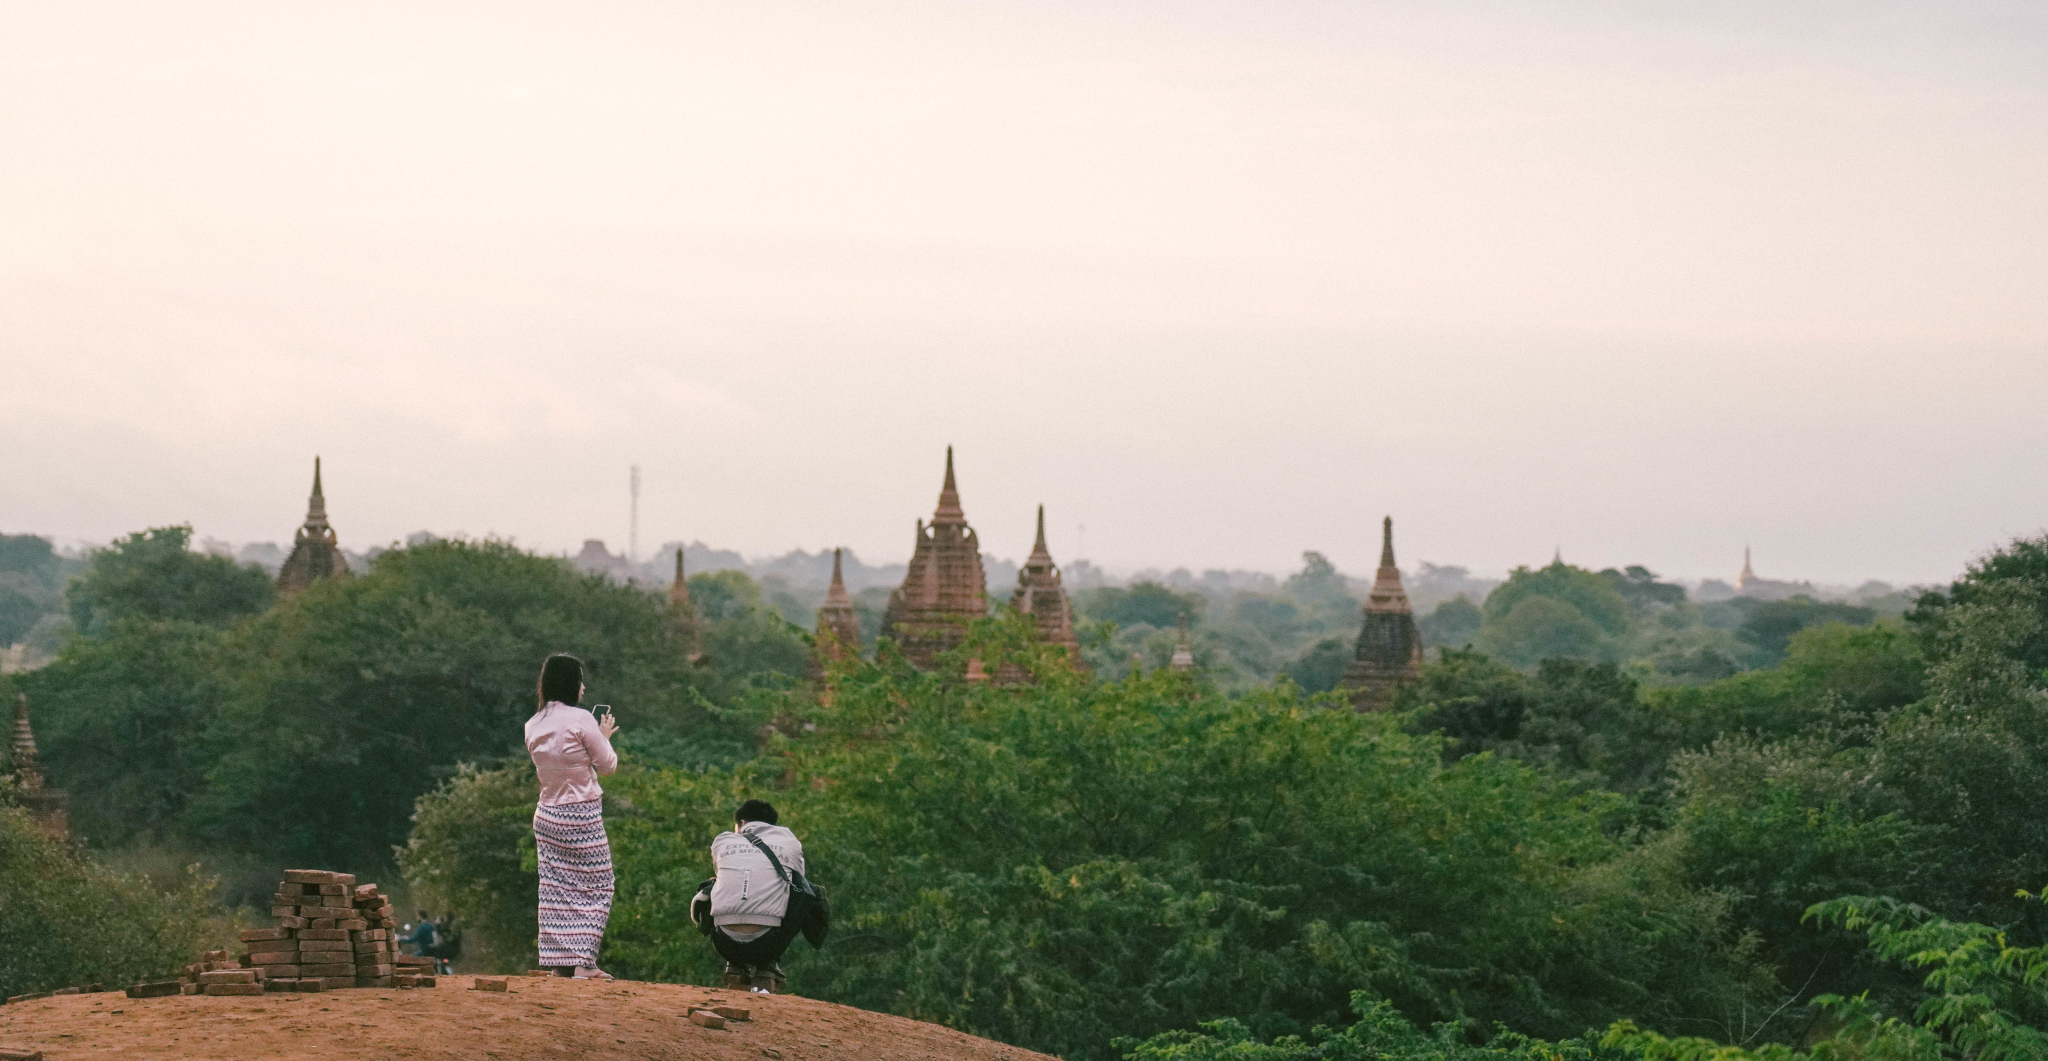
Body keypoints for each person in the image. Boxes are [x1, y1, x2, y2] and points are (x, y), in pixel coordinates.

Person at [525, 653, 620, 979]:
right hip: (580, 814)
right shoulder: (582, 719)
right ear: (571, 684)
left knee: (556, 889)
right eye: (580, 679)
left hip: (547, 815)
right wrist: (604, 737)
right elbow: (607, 765)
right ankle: (584, 962)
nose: (584, 686)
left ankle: (560, 964)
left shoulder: (532, 725)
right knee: (599, 885)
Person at [705, 799, 807, 994]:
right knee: (803, 892)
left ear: (741, 823)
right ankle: (767, 967)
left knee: (713, 885)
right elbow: (800, 882)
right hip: (769, 942)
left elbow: (723, 879)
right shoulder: (789, 840)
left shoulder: (722, 840)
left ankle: (734, 965)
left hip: (724, 942)